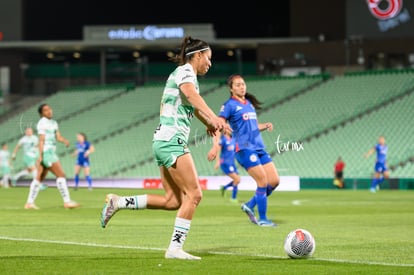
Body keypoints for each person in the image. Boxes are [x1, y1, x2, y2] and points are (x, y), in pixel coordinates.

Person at [100, 36, 230, 260]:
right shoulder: (186, 71)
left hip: (162, 140)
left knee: (173, 201)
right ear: (197, 56)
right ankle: (175, 249)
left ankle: (118, 202)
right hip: (171, 140)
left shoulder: (185, 75)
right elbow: (191, 94)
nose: (210, 63)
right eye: (208, 58)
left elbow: (190, 104)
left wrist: (208, 122)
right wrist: (213, 116)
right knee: (195, 195)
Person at [208, 74, 280, 227]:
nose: (242, 87)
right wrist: (215, 146)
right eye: (238, 85)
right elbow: (218, 124)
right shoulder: (229, 105)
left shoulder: (249, 104)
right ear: (231, 88)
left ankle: (249, 205)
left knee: (274, 181)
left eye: (243, 84)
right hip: (244, 148)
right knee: (262, 181)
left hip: (259, 147)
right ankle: (263, 219)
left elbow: (253, 126)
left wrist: (264, 125)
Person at [24, 103, 80, 209]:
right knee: (61, 175)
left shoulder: (54, 123)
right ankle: (67, 201)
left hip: (50, 152)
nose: (49, 111)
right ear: (41, 113)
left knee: (39, 178)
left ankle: (29, 203)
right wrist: (40, 156)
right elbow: (41, 140)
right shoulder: (42, 123)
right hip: (47, 153)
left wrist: (64, 141)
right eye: (45, 110)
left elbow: (57, 136)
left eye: (49, 109)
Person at [212, 132, 240, 202]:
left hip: (232, 163)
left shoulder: (233, 139)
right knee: (236, 179)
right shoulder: (223, 139)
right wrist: (217, 161)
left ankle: (224, 187)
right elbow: (218, 151)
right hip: (225, 163)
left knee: (238, 179)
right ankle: (233, 198)